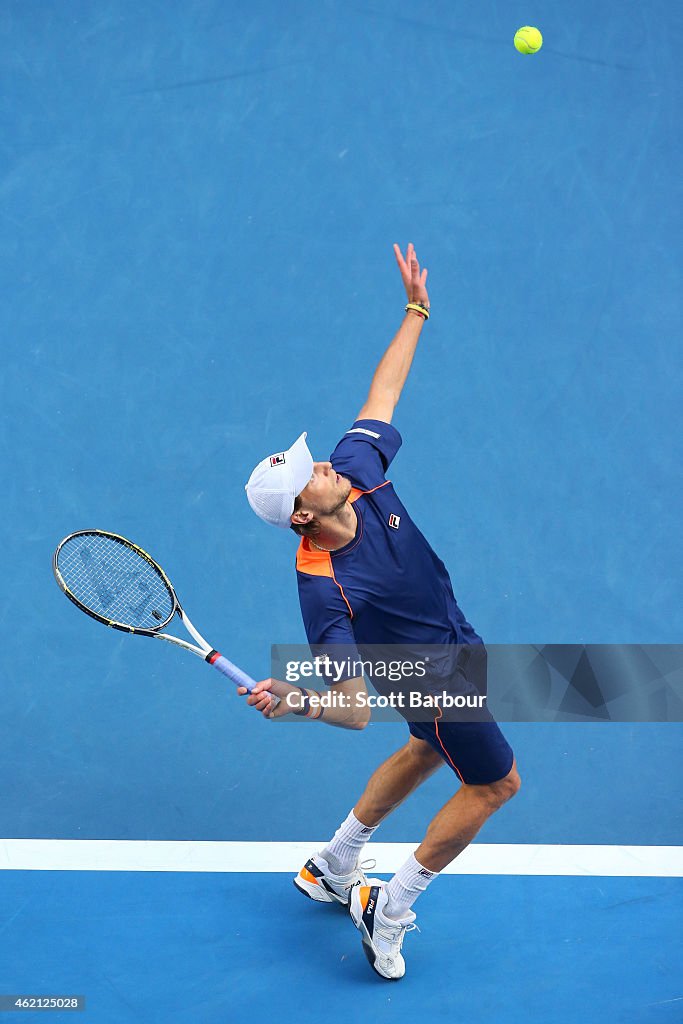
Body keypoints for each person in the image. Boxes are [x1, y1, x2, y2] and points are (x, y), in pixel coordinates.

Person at [242, 243, 520, 980]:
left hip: (453, 641)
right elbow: (353, 709)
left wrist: (415, 309)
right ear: (302, 516)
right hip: (427, 674)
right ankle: (389, 906)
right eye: (311, 475)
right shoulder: (323, 590)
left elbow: (382, 396)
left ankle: (336, 861)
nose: (325, 465)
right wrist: (296, 700)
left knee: (430, 748)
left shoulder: (356, 473)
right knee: (494, 783)